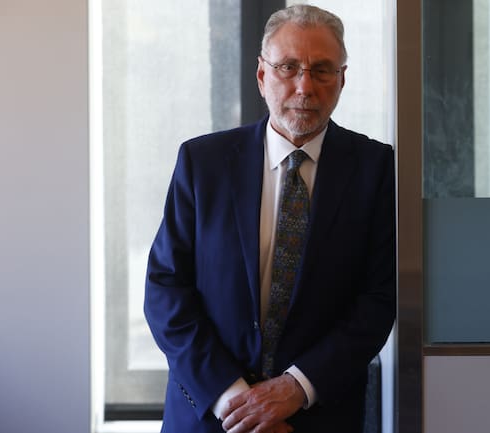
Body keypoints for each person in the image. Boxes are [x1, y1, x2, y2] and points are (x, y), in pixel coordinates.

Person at [144, 4, 396, 433]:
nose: (304, 86)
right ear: (262, 75)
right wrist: (235, 401)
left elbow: (378, 300)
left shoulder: (376, 169)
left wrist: (295, 389)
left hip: (316, 417)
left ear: (342, 80)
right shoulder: (202, 163)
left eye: (322, 70)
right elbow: (166, 288)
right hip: (209, 415)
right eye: (288, 67)